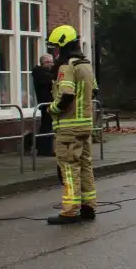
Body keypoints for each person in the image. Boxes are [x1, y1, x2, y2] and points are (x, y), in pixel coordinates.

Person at [45, 24, 99, 225]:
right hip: (86, 125)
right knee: (85, 166)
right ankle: (88, 206)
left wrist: (53, 109)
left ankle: (69, 210)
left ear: (63, 46)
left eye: (56, 48)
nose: (55, 52)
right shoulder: (85, 64)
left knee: (68, 167)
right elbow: (94, 91)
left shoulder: (67, 66)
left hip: (68, 128)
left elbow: (66, 94)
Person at [32, 53, 55, 158]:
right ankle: (44, 149)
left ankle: (42, 147)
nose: (52, 64)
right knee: (47, 125)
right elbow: (48, 82)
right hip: (46, 102)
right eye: (50, 62)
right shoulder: (41, 73)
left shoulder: (45, 73)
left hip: (48, 102)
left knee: (47, 125)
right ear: (44, 63)